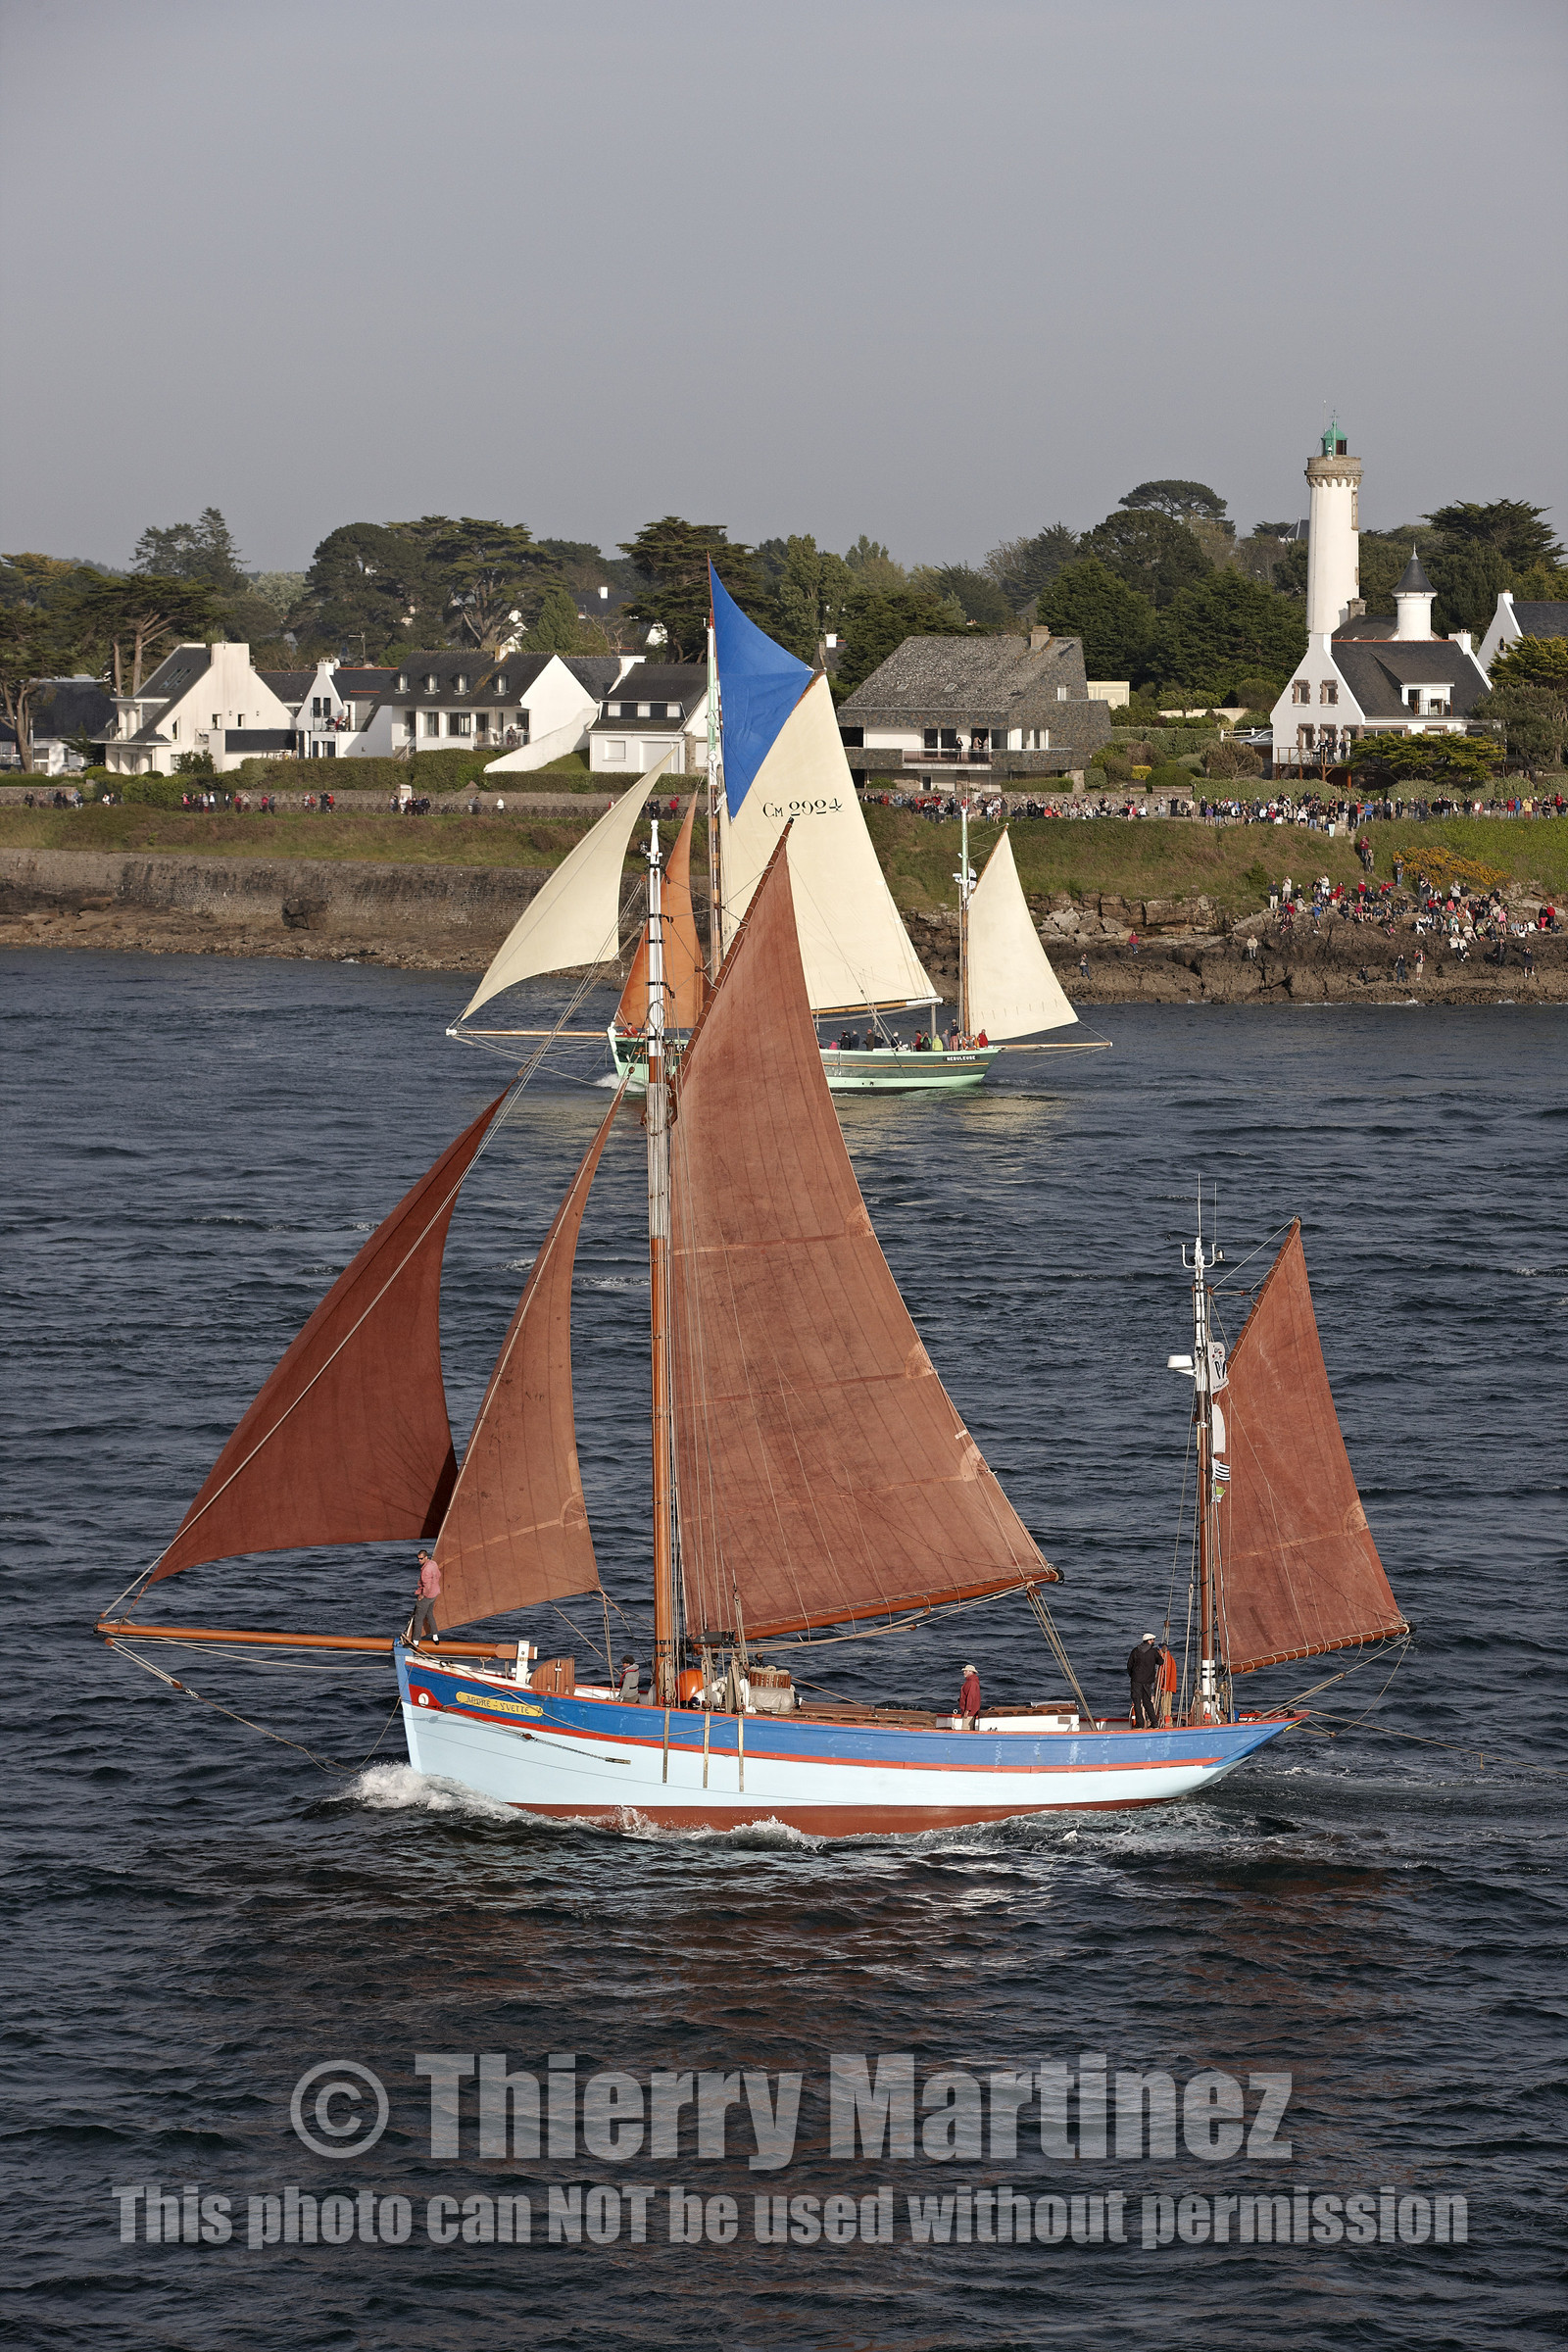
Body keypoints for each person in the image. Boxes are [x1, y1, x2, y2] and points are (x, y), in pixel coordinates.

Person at [408, 1548, 442, 1644]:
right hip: (435, 1594)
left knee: (418, 1618)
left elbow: (427, 1586)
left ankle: (415, 1642)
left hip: (427, 1596)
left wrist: (422, 1595)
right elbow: (438, 1575)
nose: (419, 1561)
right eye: (418, 1559)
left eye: (421, 1559)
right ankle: (435, 1637)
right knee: (430, 1615)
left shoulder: (425, 1571)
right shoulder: (433, 1563)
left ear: (426, 1557)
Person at [1127, 1634, 1161, 1728]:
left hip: (1136, 1680)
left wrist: (1133, 1675)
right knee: (1147, 1702)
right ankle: (1154, 1722)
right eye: (1153, 1640)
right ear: (1149, 1641)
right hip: (1147, 1681)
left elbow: (1129, 1665)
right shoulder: (1153, 1652)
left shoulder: (1135, 1651)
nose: (1154, 1641)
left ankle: (1139, 1724)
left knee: (1137, 1702)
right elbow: (1161, 1662)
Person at [958, 1662, 982, 1730]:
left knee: (966, 1729)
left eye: (965, 1671)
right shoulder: (972, 1682)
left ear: (970, 1672)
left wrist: (967, 1710)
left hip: (969, 1712)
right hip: (971, 1711)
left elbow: (970, 1697)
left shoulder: (971, 1683)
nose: (964, 1672)